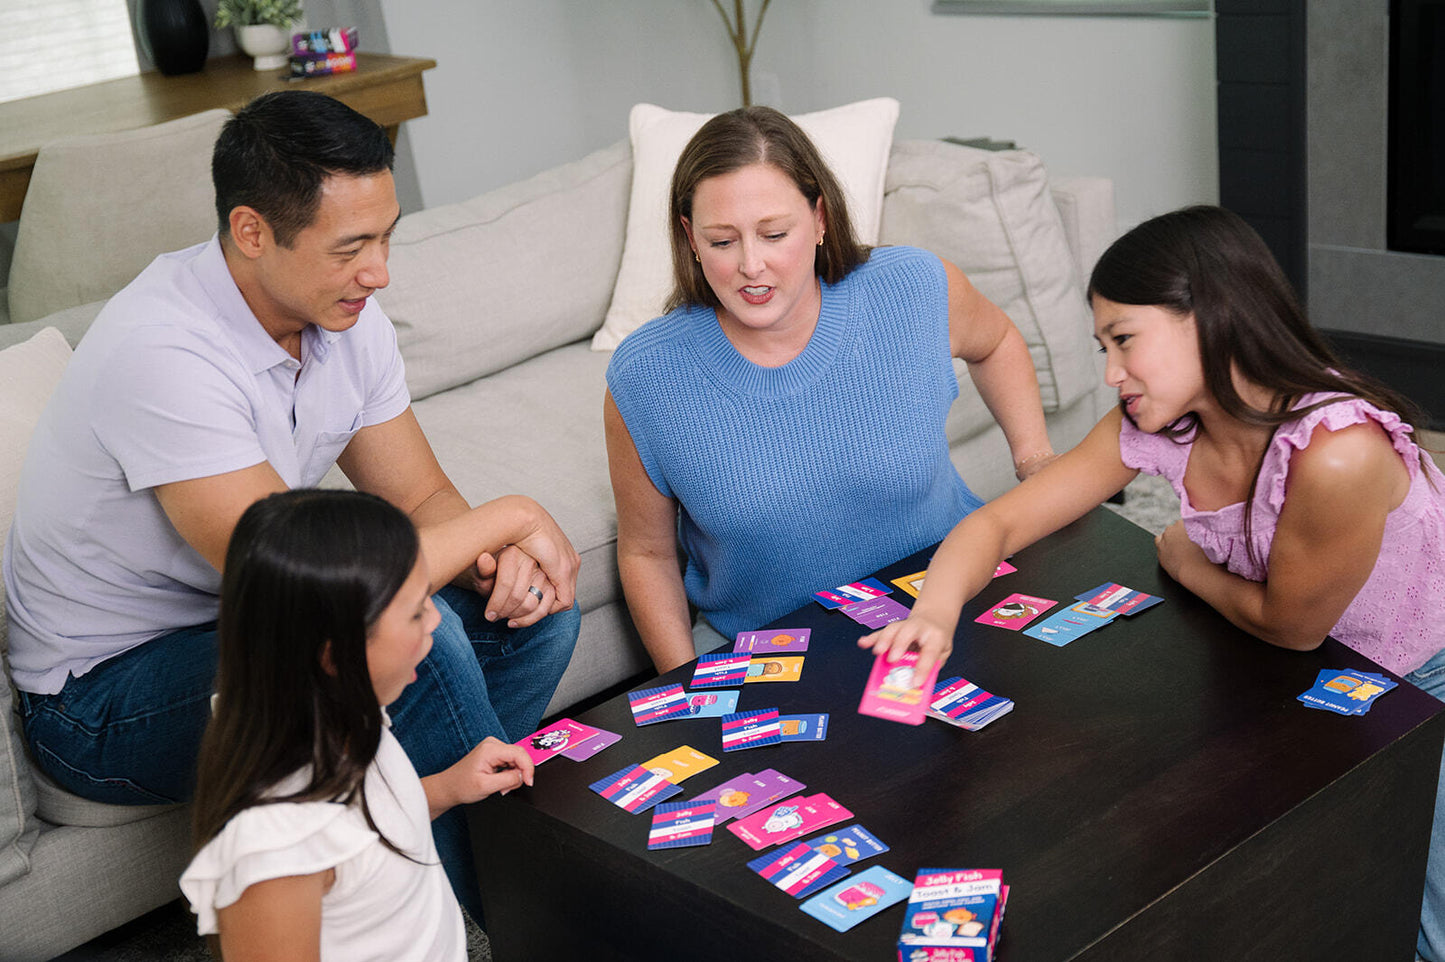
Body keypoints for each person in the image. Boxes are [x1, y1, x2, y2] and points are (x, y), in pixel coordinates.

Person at [3, 90, 580, 919]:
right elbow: (310, 593)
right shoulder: (163, 353)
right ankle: (513, 908)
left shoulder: (344, 312)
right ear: (251, 232)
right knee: (418, 631)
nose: (378, 273)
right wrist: (513, 514)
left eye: (386, 237)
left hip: (249, 621)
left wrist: (503, 561)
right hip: (103, 697)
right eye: (352, 247)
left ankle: (403, 841)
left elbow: (417, 494)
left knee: (529, 611)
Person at [859, 204, 1445, 959]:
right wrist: (935, 614)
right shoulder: (1161, 418)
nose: (1110, 372)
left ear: (1209, 318)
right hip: (1292, 668)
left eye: (1124, 340)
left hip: (1415, 676)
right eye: (1103, 345)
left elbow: (1290, 623)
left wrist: (1182, 560)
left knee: (1413, 916)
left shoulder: (1338, 452)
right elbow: (995, 526)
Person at [604, 106, 1057, 673]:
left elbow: (996, 342)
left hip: (953, 597)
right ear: (689, 237)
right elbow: (646, 553)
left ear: (820, 219)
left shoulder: (913, 287)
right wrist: (691, 690)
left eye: (774, 234)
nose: (751, 265)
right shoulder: (645, 375)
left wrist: (1035, 459)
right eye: (722, 242)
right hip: (780, 655)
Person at [180, 489, 532, 961]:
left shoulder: (347, 714)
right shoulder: (276, 850)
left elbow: (362, 828)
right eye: (415, 611)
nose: (436, 620)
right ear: (335, 655)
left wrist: (448, 787)